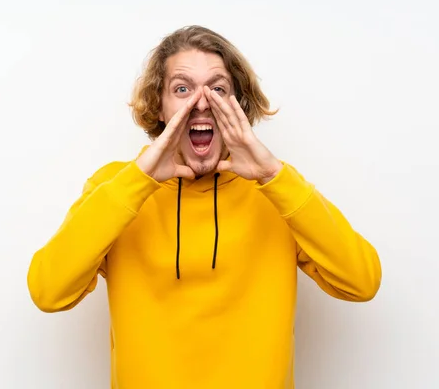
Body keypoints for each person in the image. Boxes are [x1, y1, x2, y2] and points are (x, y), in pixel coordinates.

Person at [27, 25, 382, 388]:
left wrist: (274, 176)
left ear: (238, 107)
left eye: (217, 88)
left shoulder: (277, 190)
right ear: (159, 106)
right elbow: (49, 291)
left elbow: (361, 282)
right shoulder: (115, 187)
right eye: (182, 89)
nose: (201, 102)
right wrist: (138, 181)